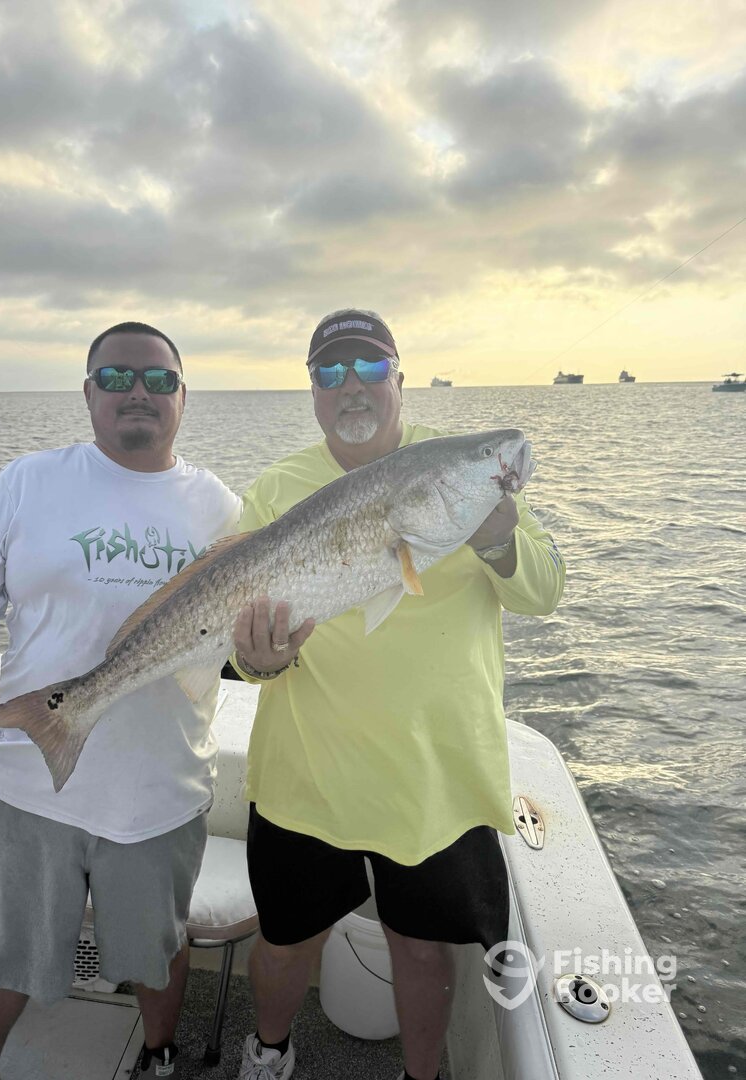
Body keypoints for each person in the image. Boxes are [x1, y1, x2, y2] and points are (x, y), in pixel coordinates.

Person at [231, 308, 565, 1080]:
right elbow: (242, 655)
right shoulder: (275, 489)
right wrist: (260, 662)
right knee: (285, 940)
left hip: (436, 776)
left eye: (371, 367)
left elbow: (545, 592)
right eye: (331, 371)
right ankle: (268, 1053)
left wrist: (497, 533)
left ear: (400, 380)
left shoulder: (466, 471)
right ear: (312, 390)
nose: (352, 385)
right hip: (307, 771)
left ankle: (423, 1076)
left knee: (421, 948)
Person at [0, 322, 241, 1080]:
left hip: (162, 792)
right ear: (86, 392)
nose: (138, 391)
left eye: (159, 379)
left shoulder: (220, 507)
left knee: (156, 955)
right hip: (31, 787)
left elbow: (241, 644)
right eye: (115, 377)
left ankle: (158, 1057)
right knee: (5, 957)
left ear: (183, 396)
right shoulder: (28, 482)